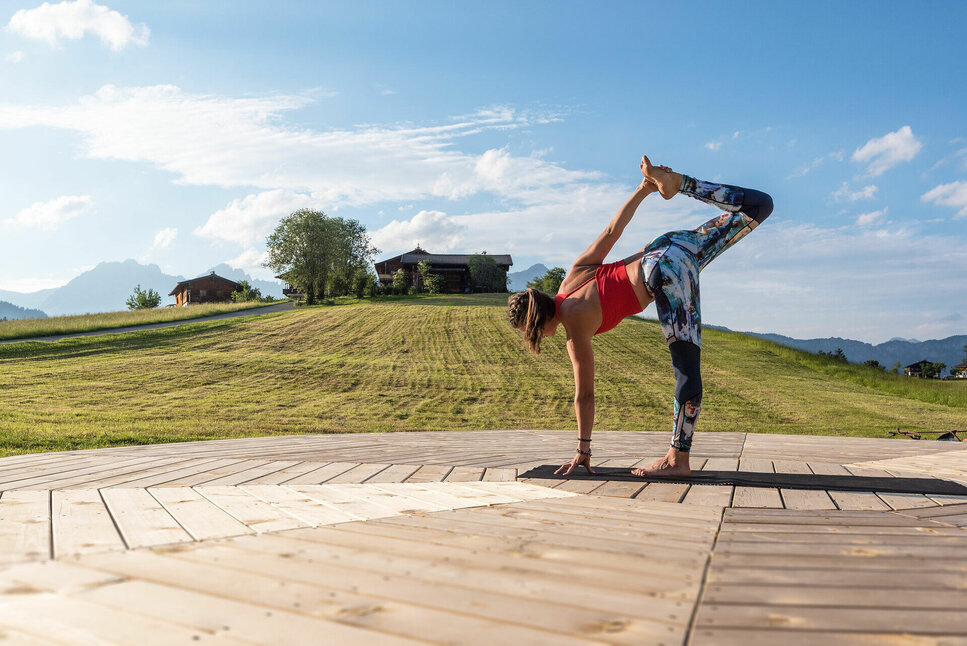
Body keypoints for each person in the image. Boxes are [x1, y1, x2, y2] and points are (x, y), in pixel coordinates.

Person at [507, 156, 773, 478]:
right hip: (668, 247)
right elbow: (611, 231)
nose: (542, 338)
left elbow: (585, 396)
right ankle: (683, 184)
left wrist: (583, 449)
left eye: (531, 333)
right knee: (760, 207)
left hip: (665, 271)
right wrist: (645, 188)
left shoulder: (574, 329)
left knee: (686, 368)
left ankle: (677, 460)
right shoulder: (572, 277)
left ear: (538, 325)